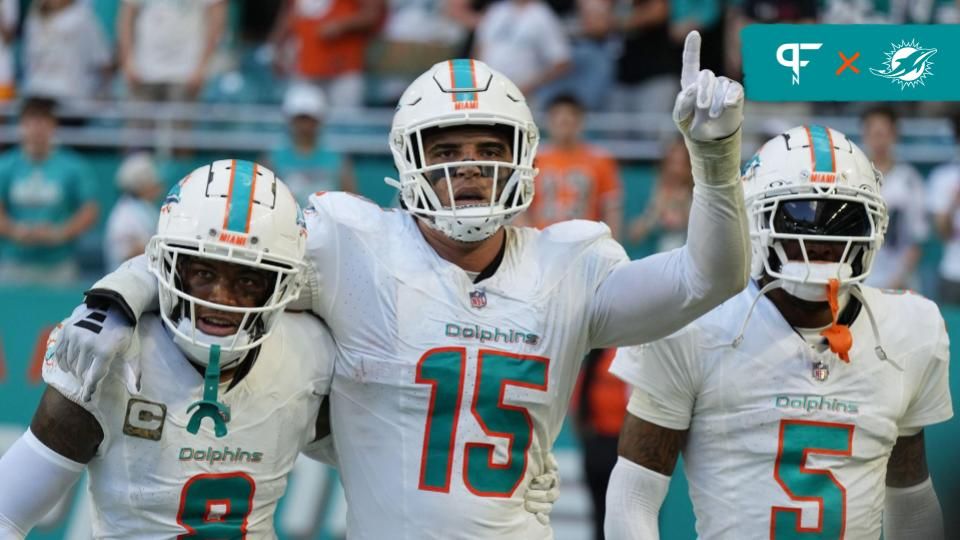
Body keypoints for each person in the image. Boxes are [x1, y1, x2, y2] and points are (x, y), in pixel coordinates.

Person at [50, 33, 750, 538]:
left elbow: (708, 277)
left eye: (488, 150)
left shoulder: (571, 265)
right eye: (446, 151)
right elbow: (215, 249)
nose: (469, 170)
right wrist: (114, 298)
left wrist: (715, 159)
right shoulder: (348, 245)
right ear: (408, 160)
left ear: (523, 157)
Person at [605, 125, 952, 539]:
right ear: (757, 221)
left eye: (843, 218)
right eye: (799, 215)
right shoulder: (692, 323)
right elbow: (633, 496)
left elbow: (911, 500)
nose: (821, 240)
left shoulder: (906, 329)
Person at [0, 159, 339, 538]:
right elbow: (6, 514)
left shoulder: (310, 355)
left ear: (280, 285)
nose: (221, 298)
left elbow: (386, 471)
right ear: (169, 266)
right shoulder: (111, 357)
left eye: (248, 279)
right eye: (203, 273)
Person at [0, 96, 98, 284]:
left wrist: (59, 233)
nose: (37, 128)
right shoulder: (5, 165)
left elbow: (89, 210)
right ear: (22, 125)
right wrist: (16, 231)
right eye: (31, 121)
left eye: (43, 121)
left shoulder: (73, 166)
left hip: (59, 263)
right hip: (13, 262)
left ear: (53, 125)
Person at [522, 93, 623, 238]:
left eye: (571, 117)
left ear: (581, 121)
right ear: (549, 121)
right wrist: (530, 243)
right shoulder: (532, 158)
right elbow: (521, 210)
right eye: (558, 117)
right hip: (543, 241)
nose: (565, 121)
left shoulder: (600, 159)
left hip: (585, 242)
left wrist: (612, 243)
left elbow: (611, 209)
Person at [861, 106, 927, 290]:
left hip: (900, 281)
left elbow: (918, 239)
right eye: (874, 133)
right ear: (864, 135)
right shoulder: (853, 177)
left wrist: (898, 280)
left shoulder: (910, 179)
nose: (878, 140)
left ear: (894, 135)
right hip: (860, 279)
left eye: (883, 133)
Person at [264, 84, 357, 205]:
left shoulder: (337, 158)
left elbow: (352, 202)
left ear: (319, 119)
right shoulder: (272, 159)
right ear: (290, 119)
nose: (305, 125)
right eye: (300, 118)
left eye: (309, 119)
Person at [104, 152, 164, 271]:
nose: (158, 184)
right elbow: (126, 254)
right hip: (127, 281)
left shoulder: (146, 207)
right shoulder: (124, 215)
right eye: (152, 180)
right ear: (141, 184)